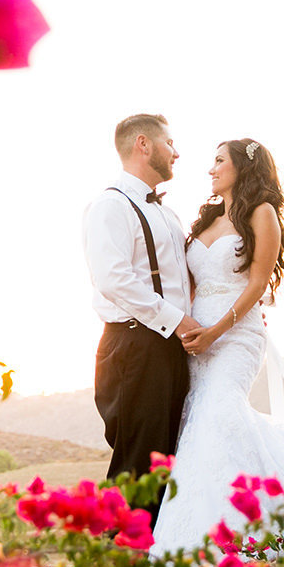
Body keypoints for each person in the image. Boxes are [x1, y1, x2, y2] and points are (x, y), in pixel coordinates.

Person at [151, 138, 284, 555]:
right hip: (195, 337)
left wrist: (217, 331)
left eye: (219, 161)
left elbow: (258, 284)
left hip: (237, 334)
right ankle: (207, 526)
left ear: (243, 167)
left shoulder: (262, 215)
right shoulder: (206, 220)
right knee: (199, 421)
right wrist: (185, 327)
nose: (211, 169)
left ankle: (255, 527)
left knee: (221, 412)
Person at [82, 114, 203, 526]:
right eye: (170, 142)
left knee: (166, 458)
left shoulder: (167, 215)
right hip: (133, 344)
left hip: (168, 344)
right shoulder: (110, 205)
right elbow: (115, 279)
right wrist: (177, 320)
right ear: (143, 144)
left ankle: (152, 560)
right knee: (138, 461)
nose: (177, 151)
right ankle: (118, 563)